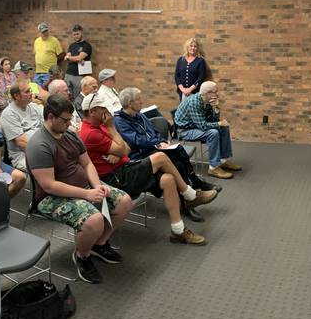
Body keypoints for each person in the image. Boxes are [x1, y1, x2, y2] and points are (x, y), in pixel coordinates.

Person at [78, 93, 217, 247]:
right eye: (103, 109)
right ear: (92, 112)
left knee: (168, 180)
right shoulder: (91, 132)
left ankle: (178, 231)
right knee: (160, 157)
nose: (108, 113)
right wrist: (112, 131)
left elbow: (126, 147)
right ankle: (190, 195)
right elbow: (123, 149)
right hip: (115, 178)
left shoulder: (100, 124)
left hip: (124, 167)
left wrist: (117, 153)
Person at [26, 95, 131, 284]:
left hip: (83, 187)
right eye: (65, 120)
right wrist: (87, 193)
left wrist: (97, 184)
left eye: (69, 119)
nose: (69, 124)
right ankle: (82, 256)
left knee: (123, 202)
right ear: (50, 117)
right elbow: (49, 185)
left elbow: (88, 163)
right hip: (51, 197)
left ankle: (99, 244)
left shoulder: (70, 135)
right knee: (94, 220)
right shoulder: (39, 145)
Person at [115, 87, 220, 192]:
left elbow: (154, 131)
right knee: (178, 153)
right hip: (140, 154)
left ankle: (191, 189)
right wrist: (157, 144)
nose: (141, 101)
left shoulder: (140, 115)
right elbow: (136, 140)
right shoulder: (120, 121)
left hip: (151, 148)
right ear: (129, 103)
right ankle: (194, 185)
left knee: (178, 156)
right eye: (138, 99)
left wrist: (162, 141)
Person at [174, 81, 242, 179]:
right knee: (213, 133)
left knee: (224, 127)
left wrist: (215, 108)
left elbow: (213, 120)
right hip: (185, 130)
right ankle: (213, 168)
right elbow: (203, 126)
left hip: (196, 126)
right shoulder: (194, 102)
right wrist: (218, 124)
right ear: (207, 93)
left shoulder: (207, 100)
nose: (217, 94)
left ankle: (222, 160)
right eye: (215, 91)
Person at [0, 79, 44, 172]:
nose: (31, 94)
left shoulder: (34, 107)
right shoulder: (9, 114)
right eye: (27, 92)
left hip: (42, 147)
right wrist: (46, 152)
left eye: (30, 90)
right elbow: (22, 143)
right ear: (16, 96)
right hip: (23, 155)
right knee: (47, 167)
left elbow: (46, 128)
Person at [33, 22, 64, 88]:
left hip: (48, 73)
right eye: (43, 32)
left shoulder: (54, 40)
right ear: (39, 32)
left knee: (47, 91)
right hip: (38, 72)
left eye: (46, 31)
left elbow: (61, 54)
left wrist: (53, 62)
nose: (45, 33)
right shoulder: (36, 41)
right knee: (34, 90)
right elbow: (36, 54)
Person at [65, 24, 93, 99]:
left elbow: (79, 58)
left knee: (78, 97)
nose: (76, 36)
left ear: (81, 32)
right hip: (68, 74)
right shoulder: (72, 45)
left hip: (79, 76)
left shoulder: (86, 46)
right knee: (68, 96)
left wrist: (70, 58)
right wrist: (72, 58)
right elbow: (66, 57)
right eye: (74, 35)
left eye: (77, 34)